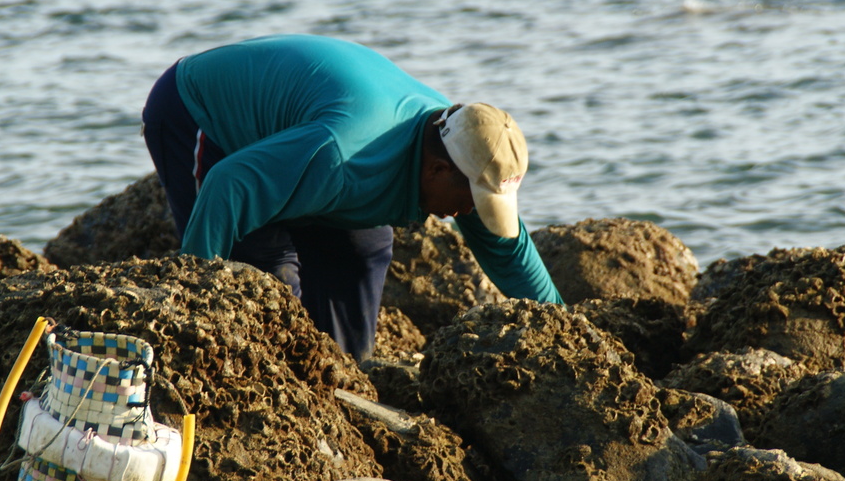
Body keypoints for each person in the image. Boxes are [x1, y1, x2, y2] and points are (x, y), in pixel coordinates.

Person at [141, 33, 563, 359]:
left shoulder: (464, 142)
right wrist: (193, 302)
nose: (469, 212)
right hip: (199, 114)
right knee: (265, 268)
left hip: (300, 135)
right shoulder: (341, 154)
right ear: (436, 170)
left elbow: (507, 249)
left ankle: (339, 381)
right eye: (472, 199)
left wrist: (568, 328)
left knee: (364, 249)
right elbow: (227, 183)